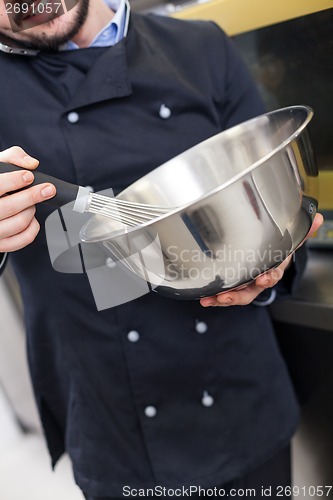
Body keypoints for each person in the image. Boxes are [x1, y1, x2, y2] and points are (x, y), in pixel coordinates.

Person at [0, 0, 323, 498]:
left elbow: (275, 200)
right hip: (114, 426)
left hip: (241, 394)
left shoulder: (201, 48)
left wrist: (268, 270)